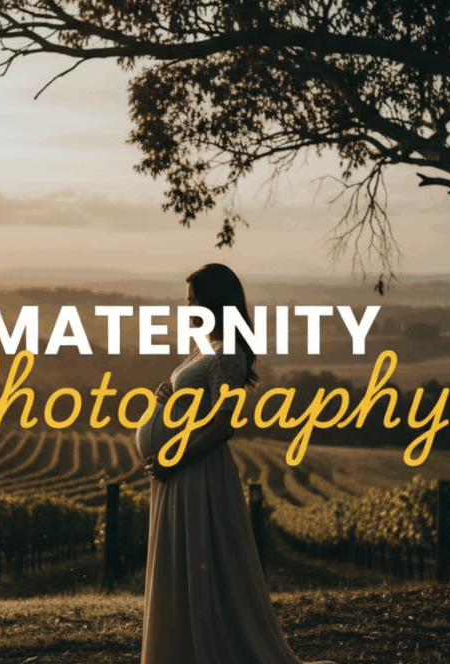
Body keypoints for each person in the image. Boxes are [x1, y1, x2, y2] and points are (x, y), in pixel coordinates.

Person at [137, 263, 336, 664]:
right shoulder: (210, 345)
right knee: (184, 565)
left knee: (202, 565)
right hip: (180, 471)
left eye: (193, 299)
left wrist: (176, 457)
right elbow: (199, 402)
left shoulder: (228, 352)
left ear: (214, 301)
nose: (187, 305)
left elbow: (225, 424)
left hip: (196, 469)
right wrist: (169, 393)